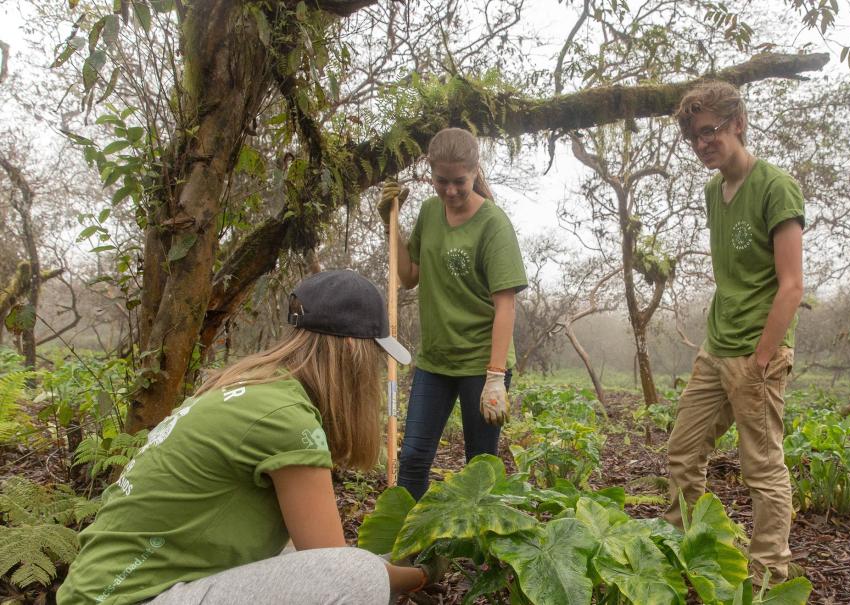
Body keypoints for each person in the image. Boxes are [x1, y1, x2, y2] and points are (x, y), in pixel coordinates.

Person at [58, 270, 443, 605]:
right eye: (375, 357)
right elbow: (332, 566)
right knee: (358, 578)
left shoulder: (252, 388)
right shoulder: (284, 419)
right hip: (134, 598)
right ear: (350, 350)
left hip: (109, 592)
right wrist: (423, 574)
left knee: (303, 555)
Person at [665, 82, 805, 584]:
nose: (702, 144)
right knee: (683, 451)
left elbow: (791, 285)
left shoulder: (775, 187)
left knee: (762, 468)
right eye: (694, 138)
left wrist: (763, 357)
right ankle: (683, 548)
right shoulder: (712, 191)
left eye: (710, 131)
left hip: (756, 352)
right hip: (716, 346)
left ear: (738, 123)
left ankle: (769, 572)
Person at [378, 127, 527, 501]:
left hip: (481, 363)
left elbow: (505, 304)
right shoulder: (430, 213)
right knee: (412, 457)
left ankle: (480, 548)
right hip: (436, 362)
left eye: (459, 181)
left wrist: (495, 377)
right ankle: (408, 546)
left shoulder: (494, 224)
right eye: (441, 181)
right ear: (431, 174)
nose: (450, 191)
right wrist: (390, 224)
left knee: (479, 465)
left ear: (475, 172)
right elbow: (409, 276)